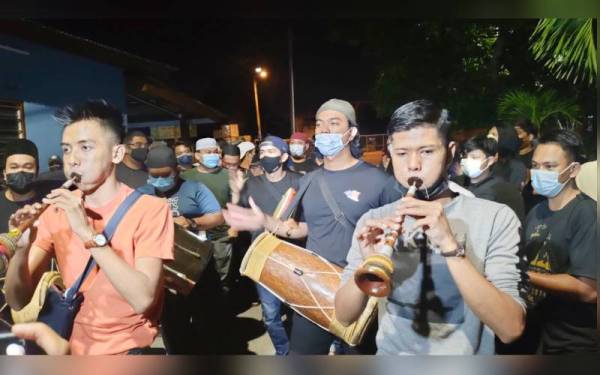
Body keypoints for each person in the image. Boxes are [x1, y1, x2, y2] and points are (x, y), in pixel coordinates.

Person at [334, 99, 526, 355]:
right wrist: (368, 262)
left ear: (449, 152)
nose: (413, 164)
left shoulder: (495, 218)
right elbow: (344, 315)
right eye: (401, 153)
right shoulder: (375, 219)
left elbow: (511, 328)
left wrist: (449, 245)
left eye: (426, 151)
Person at [223, 98, 400, 355]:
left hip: (359, 291)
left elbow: (397, 239)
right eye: (319, 124)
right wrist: (264, 221)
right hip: (313, 287)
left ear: (351, 132)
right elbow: (299, 228)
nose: (324, 130)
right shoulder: (309, 181)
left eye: (334, 123)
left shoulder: (379, 181)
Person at [4, 100, 174, 355]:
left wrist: (86, 232)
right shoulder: (56, 212)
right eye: (67, 150)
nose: (72, 160)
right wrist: (20, 251)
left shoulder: (151, 209)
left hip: (127, 351)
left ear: (116, 153)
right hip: (71, 347)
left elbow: (143, 299)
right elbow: (17, 300)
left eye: (85, 148)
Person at [137, 145, 225, 354]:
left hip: (197, 265)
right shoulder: (141, 194)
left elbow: (217, 216)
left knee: (206, 318)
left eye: (165, 175)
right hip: (163, 270)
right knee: (173, 323)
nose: (159, 180)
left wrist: (191, 222)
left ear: (176, 169)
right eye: (153, 176)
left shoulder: (194, 188)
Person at [524, 129, 598, 354]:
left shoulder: (587, 214)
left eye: (549, 167)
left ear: (573, 170)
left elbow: (589, 290)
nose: (539, 172)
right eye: (535, 166)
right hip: (536, 334)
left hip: (572, 342)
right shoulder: (536, 211)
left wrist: (524, 275)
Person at [233, 136, 302, 355]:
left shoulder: (300, 181)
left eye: (271, 152)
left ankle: (300, 348)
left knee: (296, 309)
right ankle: (283, 351)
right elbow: (237, 217)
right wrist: (235, 196)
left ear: (283, 156)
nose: (265, 157)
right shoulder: (249, 184)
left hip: (293, 255)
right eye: (262, 153)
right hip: (263, 257)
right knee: (271, 314)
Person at [181, 138, 233, 293]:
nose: (213, 155)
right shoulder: (186, 177)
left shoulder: (229, 176)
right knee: (195, 275)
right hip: (193, 234)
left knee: (222, 275)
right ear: (197, 155)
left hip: (221, 234)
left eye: (215, 152)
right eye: (208, 152)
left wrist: (234, 228)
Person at [460, 135, 525, 224]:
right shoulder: (459, 183)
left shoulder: (499, 190)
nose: (467, 161)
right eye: (465, 156)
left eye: (474, 157)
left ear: (489, 161)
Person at [0, 140, 54, 233]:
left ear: (36, 172)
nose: (20, 171)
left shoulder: (49, 203)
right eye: (14, 167)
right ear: (4, 173)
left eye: (28, 167)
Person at [487, 123, 528, 190]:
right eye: (489, 133)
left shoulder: (517, 167)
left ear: (505, 138)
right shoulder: (490, 159)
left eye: (493, 134)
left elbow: (511, 193)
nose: (488, 136)